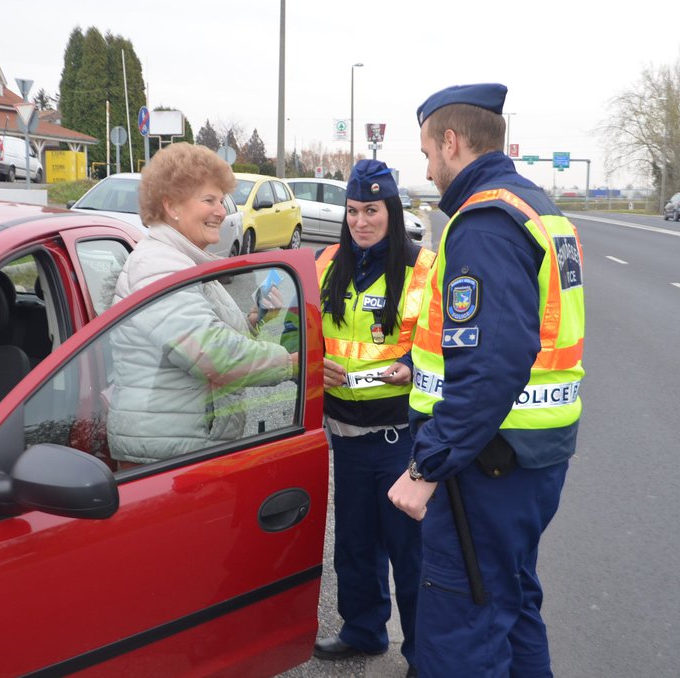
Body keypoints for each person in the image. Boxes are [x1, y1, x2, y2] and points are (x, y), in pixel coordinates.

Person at [388, 84, 586, 677]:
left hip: (483, 465)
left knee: (461, 632)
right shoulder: (539, 209)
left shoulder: (485, 223)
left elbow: (492, 364)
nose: (426, 167)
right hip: (531, 458)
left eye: (427, 152)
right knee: (511, 604)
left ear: (451, 142)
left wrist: (427, 466)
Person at [312, 159, 435, 678]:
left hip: (399, 438)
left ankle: (423, 656)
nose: (362, 221)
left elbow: (445, 346)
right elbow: (301, 333)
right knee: (355, 546)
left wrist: (410, 367)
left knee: (411, 556)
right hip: (345, 435)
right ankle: (363, 630)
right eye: (354, 211)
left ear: (392, 210)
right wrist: (317, 363)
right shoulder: (323, 263)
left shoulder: (424, 268)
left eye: (373, 210)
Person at [106, 142, 296, 465]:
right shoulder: (157, 267)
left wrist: (254, 319)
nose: (222, 211)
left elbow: (205, 336)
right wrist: (289, 364)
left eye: (221, 200)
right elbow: (213, 353)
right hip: (159, 458)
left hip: (179, 446)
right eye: (209, 200)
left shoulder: (185, 262)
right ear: (171, 206)